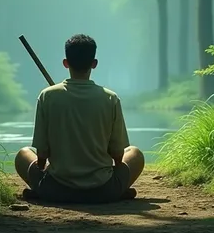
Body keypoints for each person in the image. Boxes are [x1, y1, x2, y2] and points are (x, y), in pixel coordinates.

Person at [15, 34, 145, 203]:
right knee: (135, 153)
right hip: (103, 190)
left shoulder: (47, 96)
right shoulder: (110, 98)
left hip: (56, 190)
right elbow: (118, 155)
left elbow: (42, 154)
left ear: (65, 63)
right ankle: (118, 191)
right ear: (94, 63)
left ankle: (41, 192)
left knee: (23, 154)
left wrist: (43, 172)